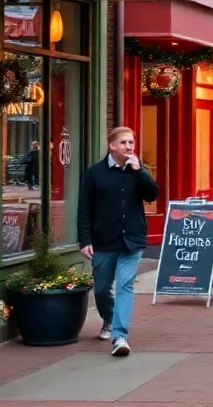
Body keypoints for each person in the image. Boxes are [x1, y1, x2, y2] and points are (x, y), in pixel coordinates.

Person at [77, 126, 159, 357]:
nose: (129, 147)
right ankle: (109, 318)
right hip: (103, 240)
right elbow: (84, 209)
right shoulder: (95, 173)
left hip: (131, 240)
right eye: (123, 143)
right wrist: (84, 239)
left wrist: (140, 171)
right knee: (102, 289)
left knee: (125, 286)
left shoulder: (138, 170)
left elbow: (153, 194)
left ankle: (119, 336)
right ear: (112, 146)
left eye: (131, 143)